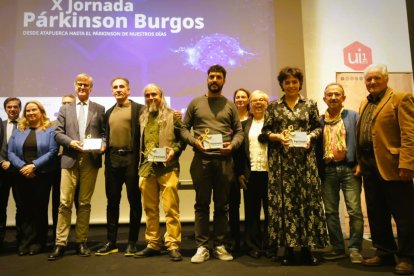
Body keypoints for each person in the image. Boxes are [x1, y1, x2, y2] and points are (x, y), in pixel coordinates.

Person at [261, 66, 328, 266]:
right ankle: (288, 250)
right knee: (285, 205)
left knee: (307, 203)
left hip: (305, 163)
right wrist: (277, 136)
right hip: (282, 164)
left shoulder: (310, 104)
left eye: (294, 82)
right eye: (287, 82)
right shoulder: (273, 107)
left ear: (300, 83)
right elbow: (264, 133)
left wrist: (310, 136)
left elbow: (318, 128)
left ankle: (307, 249)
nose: (291, 85)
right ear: (281, 84)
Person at [181, 64, 244, 263]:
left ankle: (219, 245)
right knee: (201, 205)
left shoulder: (230, 105)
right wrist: (195, 142)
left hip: (225, 161)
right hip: (202, 160)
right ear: (207, 79)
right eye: (211, 77)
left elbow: (240, 132)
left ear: (224, 80)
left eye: (218, 77)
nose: (214, 80)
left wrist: (232, 146)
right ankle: (202, 246)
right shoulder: (195, 103)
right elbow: (183, 129)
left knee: (222, 206)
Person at [356, 64, 414, 275]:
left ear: (386, 79)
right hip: (370, 166)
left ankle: (408, 257)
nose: (372, 82)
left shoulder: (400, 98)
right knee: (376, 212)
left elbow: (410, 134)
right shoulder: (364, 103)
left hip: (395, 166)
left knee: (404, 214)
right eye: (369, 79)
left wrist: (407, 164)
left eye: (376, 78)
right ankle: (385, 252)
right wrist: (361, 163)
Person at [48, 73, 106, 261]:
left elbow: (104, 133)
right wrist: (71, 143)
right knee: (64, 202)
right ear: (75, 86)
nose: (82, 87)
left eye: (86, 85)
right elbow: (58, 133)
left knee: (84, 202)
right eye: (79, 84)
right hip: (69, 158)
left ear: (91, 87)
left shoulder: (99, 108)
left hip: (90, 159)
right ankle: (60, 243)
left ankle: (81, 241)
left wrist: (103, 144)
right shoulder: (65, 109)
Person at [134, 83, 186, 262]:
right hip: (146, 169)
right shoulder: (142, 117)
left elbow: (183, 139)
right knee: (150, 210)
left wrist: (175, 151)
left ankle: (172, 244)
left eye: (154, 94)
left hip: (168, 168)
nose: (151, 98)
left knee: (171, 209)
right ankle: (153, 243)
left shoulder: (172, 116)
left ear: (161, 95)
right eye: (147, 95)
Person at [315, 83, 364, 263]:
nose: (333, 97)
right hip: (327, 170)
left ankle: (355, 248)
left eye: (337, 94)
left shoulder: (354, 116)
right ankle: (337, 247)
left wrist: (360, 163)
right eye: (330, 94)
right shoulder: (319, 121)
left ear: (343, 97)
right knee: (330, 212)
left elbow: (361, 141)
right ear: (324, 99)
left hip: (350, 169)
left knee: (355, 211)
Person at [95, 77, 143, 257]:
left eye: (122, 86)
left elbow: (156, 117)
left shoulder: (139, 109)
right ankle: (111, 242)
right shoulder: (108, 112)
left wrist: (175, 114)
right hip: (112, 159)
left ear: (129, 90)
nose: (118, 89)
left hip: (131, 159)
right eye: (115, 87)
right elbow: (104, 136)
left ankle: (132, 242)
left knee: (134, 202)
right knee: (112, 202)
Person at [8, 100, 58, 255]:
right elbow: (10, 152)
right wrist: (23, 167)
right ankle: (24, 241)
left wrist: (34, 166)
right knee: (22, 209)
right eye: (28, 111)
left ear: (41, 112)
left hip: (41, 175)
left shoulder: (49, 130)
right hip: (21, 174)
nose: (30, 113)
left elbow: (52, 151)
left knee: (39, 209)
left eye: (34, 110)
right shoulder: (18, 130)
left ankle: (38, 242)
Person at [236, 90, 269, 259]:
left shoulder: (274, 124)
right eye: (255, 100)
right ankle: (253, 245)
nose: (258, 103)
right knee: (252, 212)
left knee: (272, 212)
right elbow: (240, 153)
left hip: (271, 174)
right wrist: (240, 173)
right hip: (251, 174)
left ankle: (270, 245)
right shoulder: (244, 125)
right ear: (250, 104)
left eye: (262, 100)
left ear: (267, 104)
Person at [50, 94, 76, 243]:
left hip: (75, 164)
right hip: (56, 167)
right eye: (63, 103)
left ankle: (78, 238)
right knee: (60, 203)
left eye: (69, 103)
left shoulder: (79, 124)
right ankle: (58, 236)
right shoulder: (53, 124)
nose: (66, 106)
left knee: (79, 203)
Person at [228, 88, 251, 253]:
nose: (240, 99)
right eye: (238, 97)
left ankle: (251, 241)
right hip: (231, 167)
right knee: (233, 205)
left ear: (248, 99)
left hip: (249, 168)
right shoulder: (229, 119)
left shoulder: (254, 119)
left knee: (251, 206)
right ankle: (235, 240)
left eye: (244, 97)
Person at [0, 97, 21, 250]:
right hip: (2, 171)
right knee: (1, 206)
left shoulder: (26, 126)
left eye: (15, 107)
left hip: (20, 171)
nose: (12, 109)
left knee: (23, 207)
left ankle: (21, 240)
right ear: (5, 109)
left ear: (20, 109)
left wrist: (14, 163)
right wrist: (2, 161)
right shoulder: (0, 125)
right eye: (9, 107)